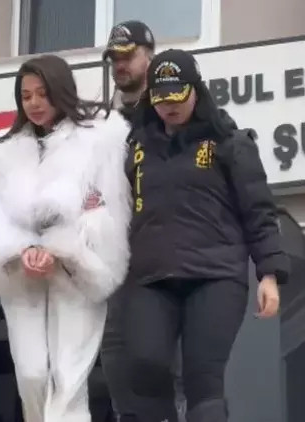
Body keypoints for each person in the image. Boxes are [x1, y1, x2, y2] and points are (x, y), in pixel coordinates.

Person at [123, 49, 288, 422]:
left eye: (177, 96)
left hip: (215, 275)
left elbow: (259, 211)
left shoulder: (230, 142)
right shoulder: (136, 147)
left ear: (196, 90)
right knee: (145, 364)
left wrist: (269, 274)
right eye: (161, 98)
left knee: (203, 378)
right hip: (151, 275)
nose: (169, 107)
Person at [0, 54, 132, 422]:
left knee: (68, 376)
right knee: (31, 374)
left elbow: (108, 211)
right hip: (22, 274)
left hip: (77, 271)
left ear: (60, 90)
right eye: (26, 95)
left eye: (42, 93)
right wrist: (22, 250)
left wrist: (61, 249)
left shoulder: (101, 138)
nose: (34, 103)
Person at [101, 20, 186, 422]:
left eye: (128, 55)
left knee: (177, 362)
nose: (120, 64)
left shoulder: (176, 112)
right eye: (114, 58)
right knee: (118, 355)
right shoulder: (102, 124)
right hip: (121, 257)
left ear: (149, 57)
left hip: (172, 254)